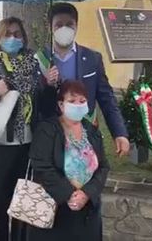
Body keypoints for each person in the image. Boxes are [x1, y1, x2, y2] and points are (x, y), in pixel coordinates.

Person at [0, 17, 58, 241]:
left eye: (17, 34)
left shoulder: (34, 66)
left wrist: (50, 86)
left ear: (24, 38)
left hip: (27, 149)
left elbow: (44, 107)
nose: (13, 38)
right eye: (7, 34)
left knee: (22, 211)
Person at [37, 2, 130, 156]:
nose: (64, 29)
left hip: (85, 135)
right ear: (50, 28)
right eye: (58, 25)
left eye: (69, 24)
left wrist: (119, 132)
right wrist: (47, 84)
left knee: (84, 178)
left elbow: (107, 98)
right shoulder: (39, 59)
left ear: (76, 26)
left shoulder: (93, 58)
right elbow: (34, 103)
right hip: (52, 137)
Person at [27, 80, 109, 240]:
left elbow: (103, 166)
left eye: (82, 101)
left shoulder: (92, 131)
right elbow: (42, 167)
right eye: (72, 101)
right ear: (61, 105)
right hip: (55, 209)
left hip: (87, 212)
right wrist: (69, 194)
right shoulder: (47, 129)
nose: (78, 105)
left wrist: (86, 194)